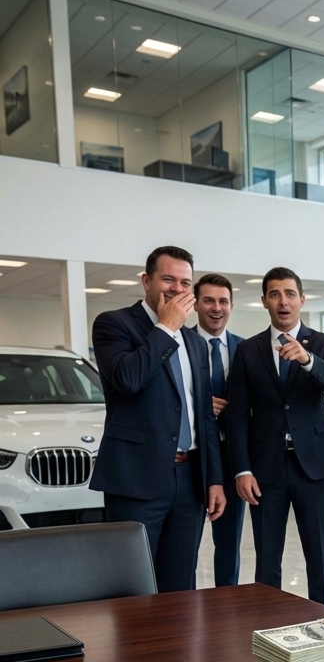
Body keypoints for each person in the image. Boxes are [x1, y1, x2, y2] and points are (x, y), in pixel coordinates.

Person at [91, 245, 226, 592]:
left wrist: (214, 478)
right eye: (168, 280)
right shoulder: (113, 324)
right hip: (136, 478)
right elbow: (128, 379)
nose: (177, 289)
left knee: (181, 586)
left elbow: (203, 416)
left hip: (190, 480)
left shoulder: (195, 342)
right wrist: (166, 327)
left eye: (185, 283)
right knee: (132, 585)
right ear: (146, 281)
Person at [227, 267, 324, 605]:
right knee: (267, 558)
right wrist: (242, 470)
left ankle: (323, 621)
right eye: (275, 295)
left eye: (290, 294)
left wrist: (308, 360)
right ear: (264, 301)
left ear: (302, 300)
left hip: (314, 465)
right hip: (266, 469)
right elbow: (237, 415)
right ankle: (268, 623)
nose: (283, 302)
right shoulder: (248, 350)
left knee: (319, 556)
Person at [194, 273, 245, 587]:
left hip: (230, 459)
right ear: (195, 304)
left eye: (223, 301)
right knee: (183, 545)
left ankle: (228, 604)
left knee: (228, 544)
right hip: (190, 458)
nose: (216, 308)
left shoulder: (245, 348)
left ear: (231, 306)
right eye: (209, 300)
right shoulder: (178, 343)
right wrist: (200, 405)